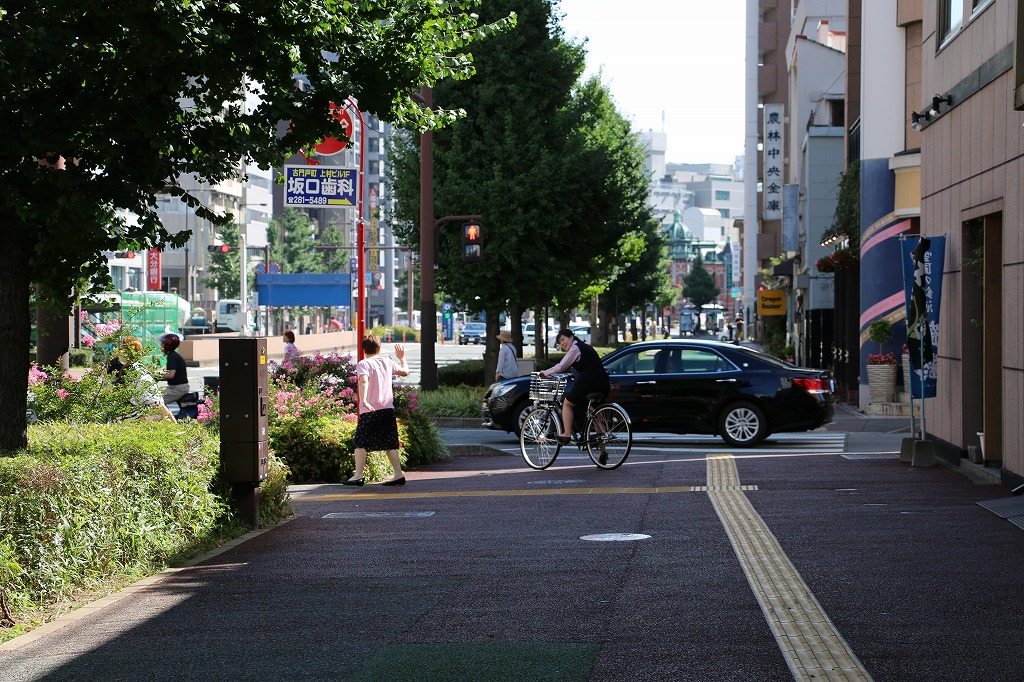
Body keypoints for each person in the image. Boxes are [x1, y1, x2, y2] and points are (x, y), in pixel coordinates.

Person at [343, 334, 411, 487]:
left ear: (364, 349)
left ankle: (358, 475)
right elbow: (405, 372)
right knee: (389, 442)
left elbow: (364, 381)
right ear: (379, 348)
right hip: (387, 409)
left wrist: (364, 399)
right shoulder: (387, 362)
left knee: (360, 442)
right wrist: (401, 357)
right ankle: (398, 474)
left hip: (370, 409)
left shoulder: (364, 364)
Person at [539, 328, 610, 446]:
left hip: (589, 381)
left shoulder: (575, 348)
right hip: (603, 382)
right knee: (595, 412)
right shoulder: (586, 347)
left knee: (567, 404)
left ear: (571, 337)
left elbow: (561, 366)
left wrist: (545, 373)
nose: (562, 344)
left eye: (563, 339)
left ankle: (566, 433)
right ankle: (602, 449)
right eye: (559, 343)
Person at [160, 333, 190, 406]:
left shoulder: (172, 356)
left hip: (177, 389)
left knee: (156, 400)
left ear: (167, 345)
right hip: (177, 387)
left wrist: (155, 376)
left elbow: (170, 375)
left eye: (163, 343)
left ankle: (165, 417)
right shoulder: (174, 355)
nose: (161, 345)